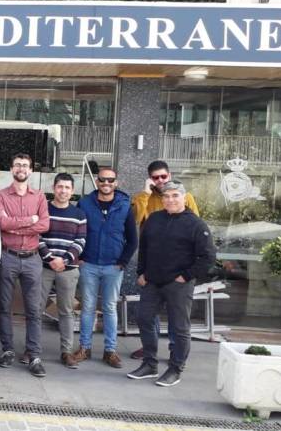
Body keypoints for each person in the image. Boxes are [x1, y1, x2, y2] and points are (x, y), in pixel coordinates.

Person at [127, 181, 215, 387]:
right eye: (166, 196)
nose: (170, 200)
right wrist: (141, 272)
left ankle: (175, 369)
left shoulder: (196, 224)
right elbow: (145, 248)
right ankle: (150, 364)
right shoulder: (155, 219)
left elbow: (208, 257)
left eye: (175, 195)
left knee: (179, 327)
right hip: (152, 281)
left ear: (184, 198)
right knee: (144, 318)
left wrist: (185, 276)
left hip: (178, 284)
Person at [129, 160, 200, 360]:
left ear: (169, 175)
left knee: (176, 316)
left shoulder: (186, 197)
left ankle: (175, 352)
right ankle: (149, 347)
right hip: (153, 264)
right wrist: (145, 194)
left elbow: (194, 224)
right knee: (148, 313)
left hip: (178, 266)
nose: (160, 180)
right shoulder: (145, 197)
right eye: (155, 177)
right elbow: (135, 219)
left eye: (163, 176)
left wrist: (188, 272)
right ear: (150, 179)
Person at [73, 167, 138, 369]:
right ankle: (85, 347)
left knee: (110, 308)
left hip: (113, 266)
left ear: (116, 182)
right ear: (97, 182)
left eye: (110, 180)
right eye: (102, 180)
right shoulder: (84, 203)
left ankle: (110, 351)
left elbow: (133, 240)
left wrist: (123, 262)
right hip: (89, 264)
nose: (106, 183)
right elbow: (76, 231)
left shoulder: (125, 206)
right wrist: (80, 257)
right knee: (88, 308)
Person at [0, 153, 50, 378]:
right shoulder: (0, 196)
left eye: (25, 165)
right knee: (4, 306)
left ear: (30, 170)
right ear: (11, 169)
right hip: (7, 256)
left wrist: (17, 227)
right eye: (17, 165)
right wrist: (30, 221)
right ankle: (7, 350)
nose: (21, 168)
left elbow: (44, 224)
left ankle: (34, 355)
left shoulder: (39, 197)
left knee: (34, 309)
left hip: (33, 259)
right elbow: (3, 223)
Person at [37, 173, 87, 369]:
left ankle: (66, 352)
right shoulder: (44, 209)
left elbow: (81, 241)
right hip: (43, 267)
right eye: (60, 187)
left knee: (66, 311)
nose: (63, 191)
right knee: (36, 309)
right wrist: (50, 259)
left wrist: (64, 260)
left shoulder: (79, 214)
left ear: (72, 191)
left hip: (68, 269)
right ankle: (33, 349)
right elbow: (37, 236)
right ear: (54, 188)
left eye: (67, 188)